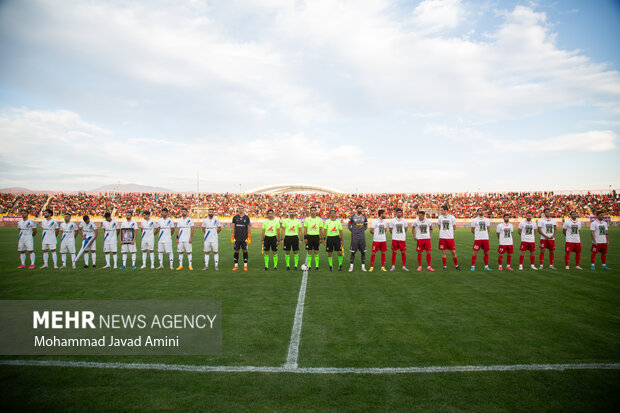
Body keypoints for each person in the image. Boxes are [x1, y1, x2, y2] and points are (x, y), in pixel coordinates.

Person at [437, 205, 461, 270]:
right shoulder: (440, 218)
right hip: (442, 237)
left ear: (445, 210)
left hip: (450, 237)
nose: (440, 211)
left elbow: (454, 227)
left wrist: (449, 232)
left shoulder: (452, 218)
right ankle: (444, 266)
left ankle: (456, 265)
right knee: (443, 252)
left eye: (441, 210)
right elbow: (439, 227)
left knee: (453, 252)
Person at [348, 204, 368, 272]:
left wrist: (361, 231)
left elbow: (365, 226)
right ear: (356, 209)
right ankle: (351, 267)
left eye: (361, 209)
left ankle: (363, 267)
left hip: (362, 237)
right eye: (359, 208)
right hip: (354, 237)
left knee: (363, 252)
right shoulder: (352, 216)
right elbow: (349, 225)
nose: (360, 210)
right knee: (353, 252)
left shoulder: (364, 217)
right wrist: (353, 231)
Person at [231, 207, 251, 271]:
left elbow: (248, 228)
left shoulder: (246, 218)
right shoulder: (235, 217)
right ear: (238, 210)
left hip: (244, 238)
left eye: (242, 208)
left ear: (243, 209)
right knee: (236, 250)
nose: (240, 210)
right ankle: (235, 266)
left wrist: (249, 236)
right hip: (237, 237)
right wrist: (232, 236)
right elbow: (233, 227)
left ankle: (245, 266)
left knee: (244, 250)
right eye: (239, 209)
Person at [304, 206, 323, 271]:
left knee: (316, 251)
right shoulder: (307, 219)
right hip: (309, 237)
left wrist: (321, 238)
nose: (313, 212)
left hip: (316, 237)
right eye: (311, 210)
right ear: (310, 211)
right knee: (309, 251)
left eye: (314, 210)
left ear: (316, 211)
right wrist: (305, 238)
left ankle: (317, 266)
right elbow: (305, 229)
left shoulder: (319, 219)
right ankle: (309, 266)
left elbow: (320, 229)